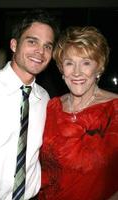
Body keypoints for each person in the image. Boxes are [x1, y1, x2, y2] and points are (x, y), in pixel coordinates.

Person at [0, 9, 59, 199]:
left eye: (47, 46)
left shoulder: (44, 99)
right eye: (32, 41)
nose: (40, 52)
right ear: (14, 44)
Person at [38, 26, 118, 200]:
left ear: (100, 67)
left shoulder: (115, 109)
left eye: (86, 63)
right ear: (61, 69)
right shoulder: (52, 107)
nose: (76, 72)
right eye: (69, 63)